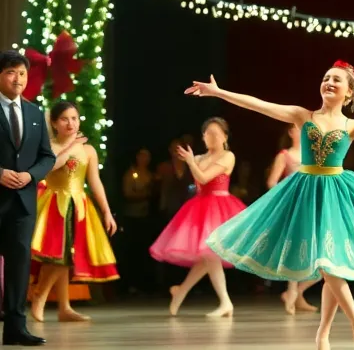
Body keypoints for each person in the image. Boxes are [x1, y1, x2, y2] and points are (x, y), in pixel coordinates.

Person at [190, 62, 354, 350]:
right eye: (326, 78)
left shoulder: (352, 126)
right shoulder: (304, 116)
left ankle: (325, 333)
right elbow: (260, 105)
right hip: (304, 192)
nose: (329, 82)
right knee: (329, 266)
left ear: (349, 92)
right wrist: (220, 92)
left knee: (330, 265)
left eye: (336, 80)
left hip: (337, 194)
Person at [28, 100, 119, 322]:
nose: (70, 124)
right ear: (54, 122)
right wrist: (69, 147)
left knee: (69, 255)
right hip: (54, 204)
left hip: (78, 205)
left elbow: (94, 181)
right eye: (64, 119)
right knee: (59, 255)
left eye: (74, 118)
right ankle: (40, 294)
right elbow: (48, 168)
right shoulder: (48, 146)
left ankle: (64, 307)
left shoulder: (88, 150)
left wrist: (106, 211)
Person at [149, 118, 246, 317]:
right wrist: (193, 162)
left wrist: (192, 162)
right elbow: (199, 184)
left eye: (216, 133)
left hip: (222, 208)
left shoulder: (228, 156)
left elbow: (203, 177)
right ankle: (182, 291)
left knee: (210, 254)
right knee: (207, 255)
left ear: (225, 137)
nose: (211, 137)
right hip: (201, 207)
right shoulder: (200, 157)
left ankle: (222, 301)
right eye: (207, 133)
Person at [0, 51, 56, 346]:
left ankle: (15, 329)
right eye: (11, 72)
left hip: (23, 202)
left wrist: (31, 175)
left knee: (19, 265)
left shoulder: (35, 113)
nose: (17, 79)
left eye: (22, 73)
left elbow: (47, 156)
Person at [267, 124, 317, 315]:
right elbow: (272, 181)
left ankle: (296, 294)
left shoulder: (314, 153)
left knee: (319, 253)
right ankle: (292, 292)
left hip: (314, 205)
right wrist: (284, 198)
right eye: (298, 128)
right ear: (291, 132)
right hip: (295, 206)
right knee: (297, 249)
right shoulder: (285, 155)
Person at [120, 147, 156, 294]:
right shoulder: (130, 175)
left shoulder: (151, 175)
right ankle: (130, 284)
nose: (144, 159)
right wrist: (144, 194)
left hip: (146, 216)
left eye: (147, 156)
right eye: (142, 155)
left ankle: (146, 283)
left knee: (145, 251)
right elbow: (128, 194)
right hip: (133, 217)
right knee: (133, 250)